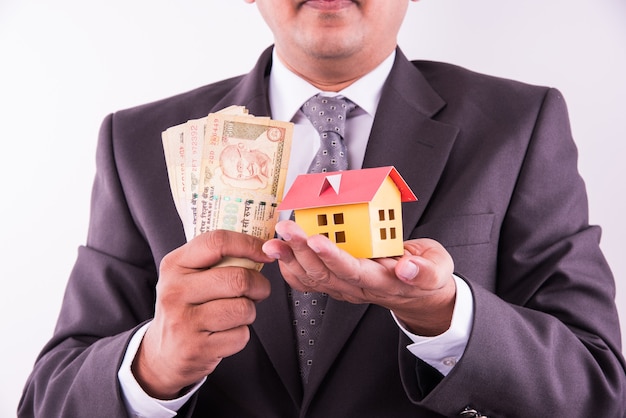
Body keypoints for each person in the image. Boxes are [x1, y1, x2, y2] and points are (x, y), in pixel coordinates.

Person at [18, 0, 626, 417]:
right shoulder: (140, 142)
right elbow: (48, 399)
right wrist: (152, 364)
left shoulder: (519, 125)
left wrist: (444, 315)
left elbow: (598, 392)